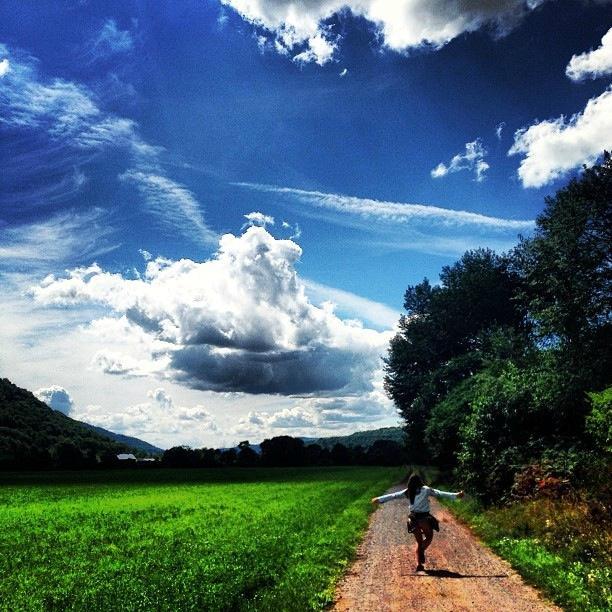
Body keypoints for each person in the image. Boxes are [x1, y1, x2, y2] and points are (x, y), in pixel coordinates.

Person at [371, 473, 464, 571]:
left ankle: (419, 564)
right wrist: (456, 495)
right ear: (420, 481)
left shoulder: (408, 491)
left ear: (409, 482)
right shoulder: (426, 490)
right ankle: (422, 550)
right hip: (424, 517)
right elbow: (440, 493)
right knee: (429, 536)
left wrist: (379, 499)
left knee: (419, 542)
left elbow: (394, 495)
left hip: (413, 518)